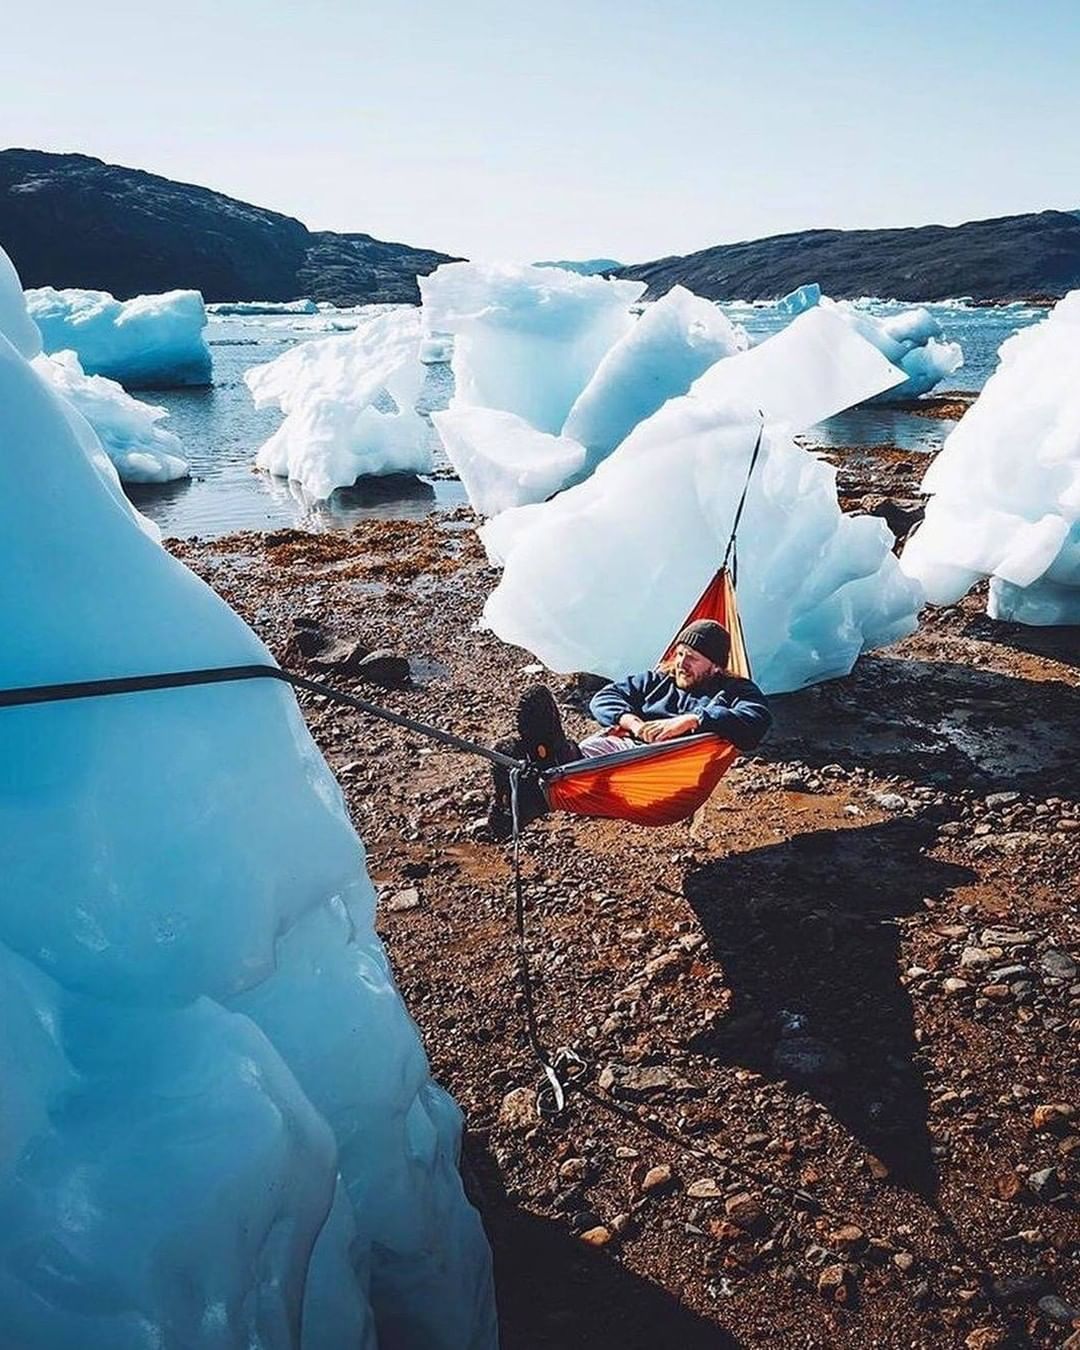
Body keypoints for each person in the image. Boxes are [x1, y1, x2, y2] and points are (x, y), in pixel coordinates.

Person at [487, 618, 772, 839]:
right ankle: (545, 772)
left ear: (715, 667)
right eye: (680, 653)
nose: (682, 663)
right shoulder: (657, 679)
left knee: (590, 764)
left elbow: (757, 718)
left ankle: (536, 784)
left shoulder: (734, 691)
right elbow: (605, 699)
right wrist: (633, 723)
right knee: (579, 758)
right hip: (624, 747)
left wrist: (692, 720)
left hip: (670, 767)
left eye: (693, 658)